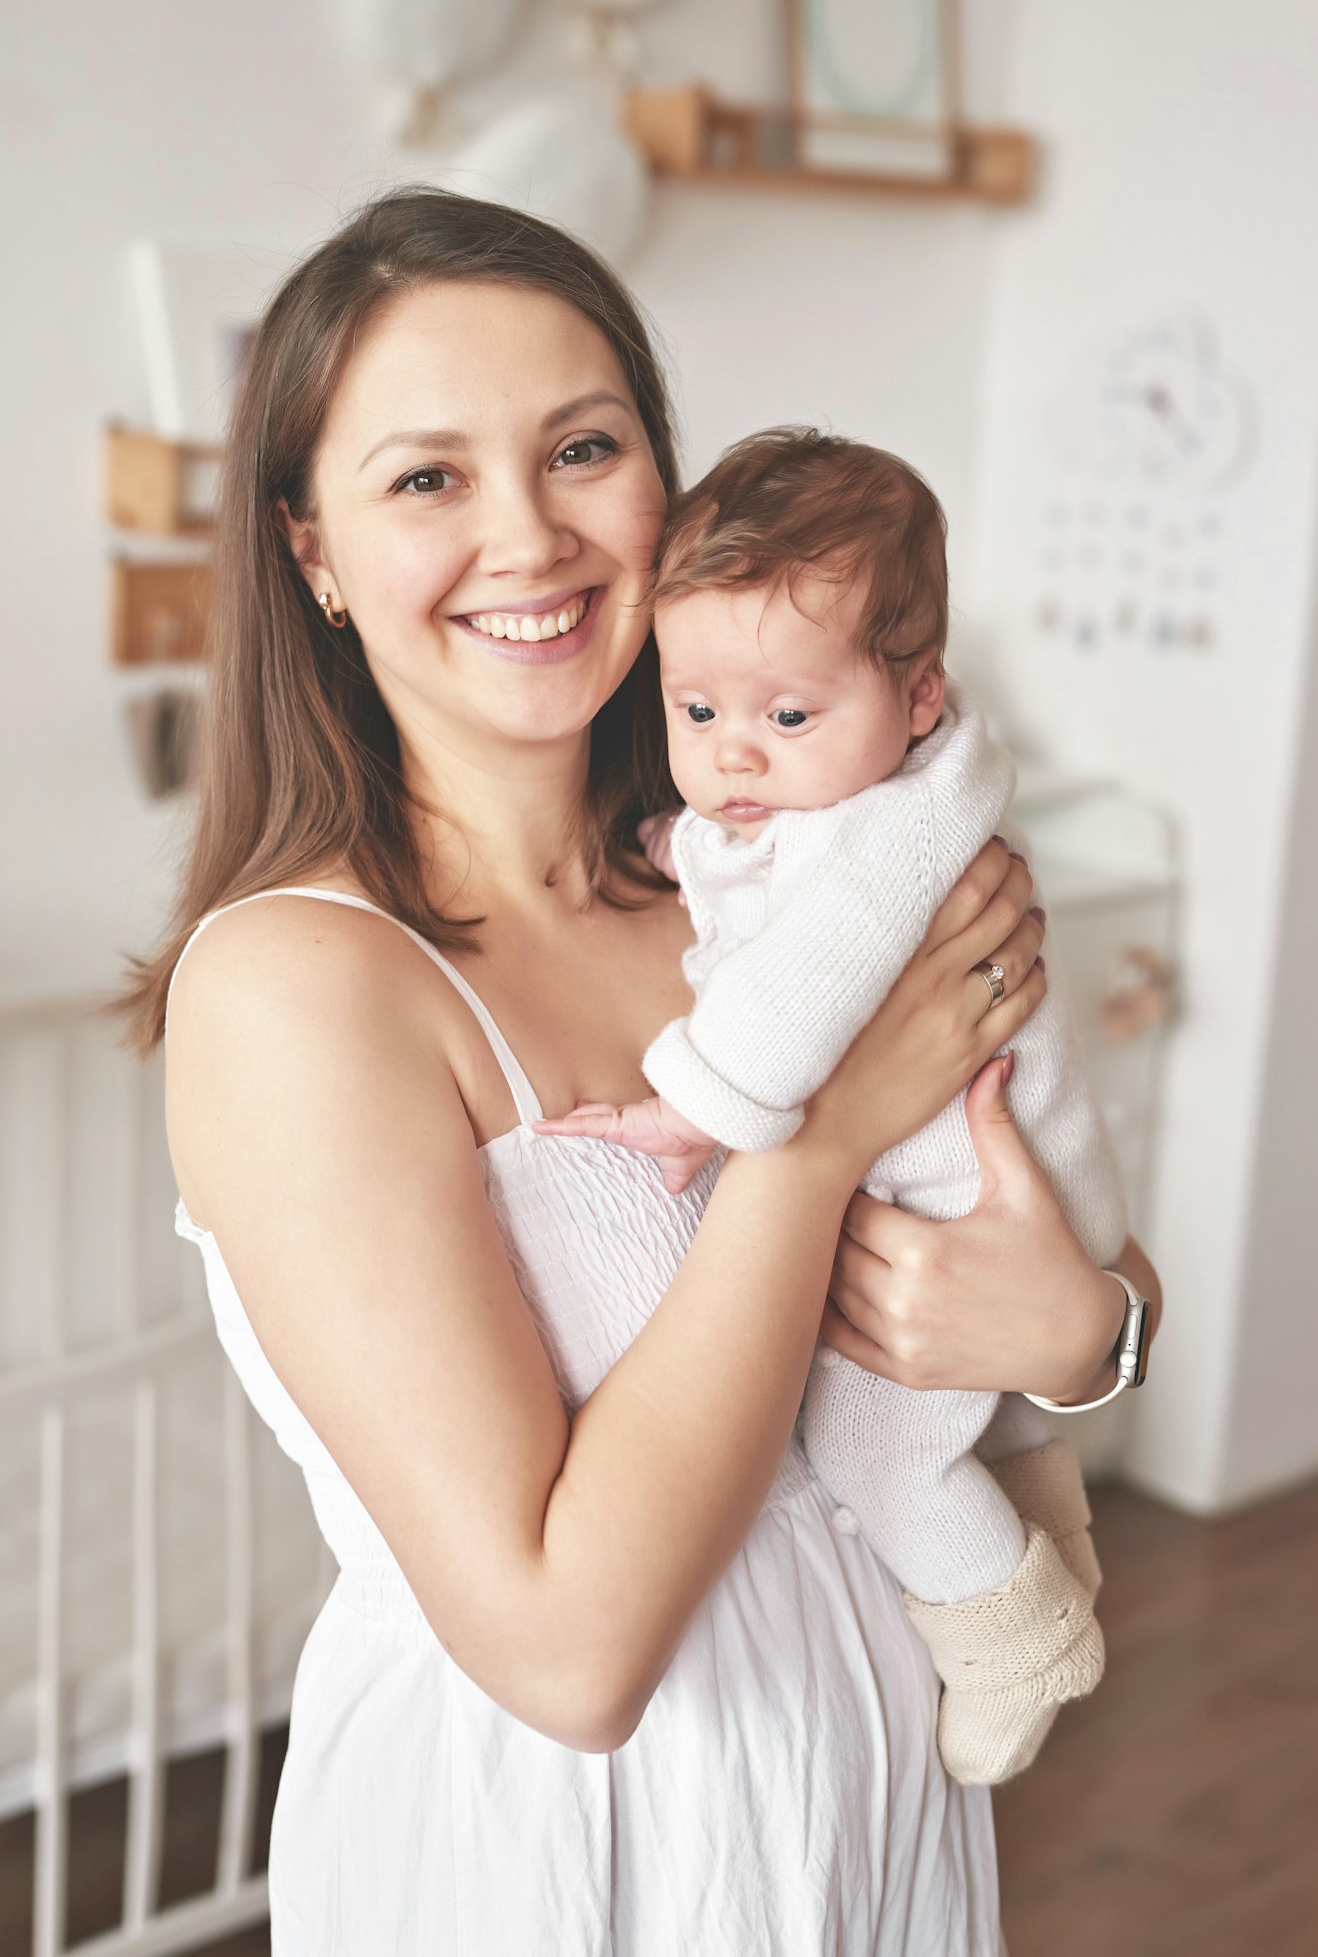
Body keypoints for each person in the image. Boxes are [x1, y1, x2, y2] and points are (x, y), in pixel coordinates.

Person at [119, 187, 1160, 1954]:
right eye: (428, 477)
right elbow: (569, 1655)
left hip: (875, 1792)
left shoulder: (776, 880)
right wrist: (809, 1146)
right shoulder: (305, 990)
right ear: (312, 555)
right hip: (567, 1853)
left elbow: (1067, 1282)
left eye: (582, 447)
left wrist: (1083, 1339)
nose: (528, 536)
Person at [536, 428, 1127, 1788]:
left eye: (788, 719)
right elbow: (758, 856)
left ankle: (1018, 1638)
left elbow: (800, 982)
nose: (737, 754)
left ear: (919, 701)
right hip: (997, 1183)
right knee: (992, 1415)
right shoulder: (849, 790)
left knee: (876, 1439)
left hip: (984, 1188)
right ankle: (1053, 1533)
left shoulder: (891, 840)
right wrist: (684, 842)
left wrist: (691, 1110)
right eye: (697, 716)